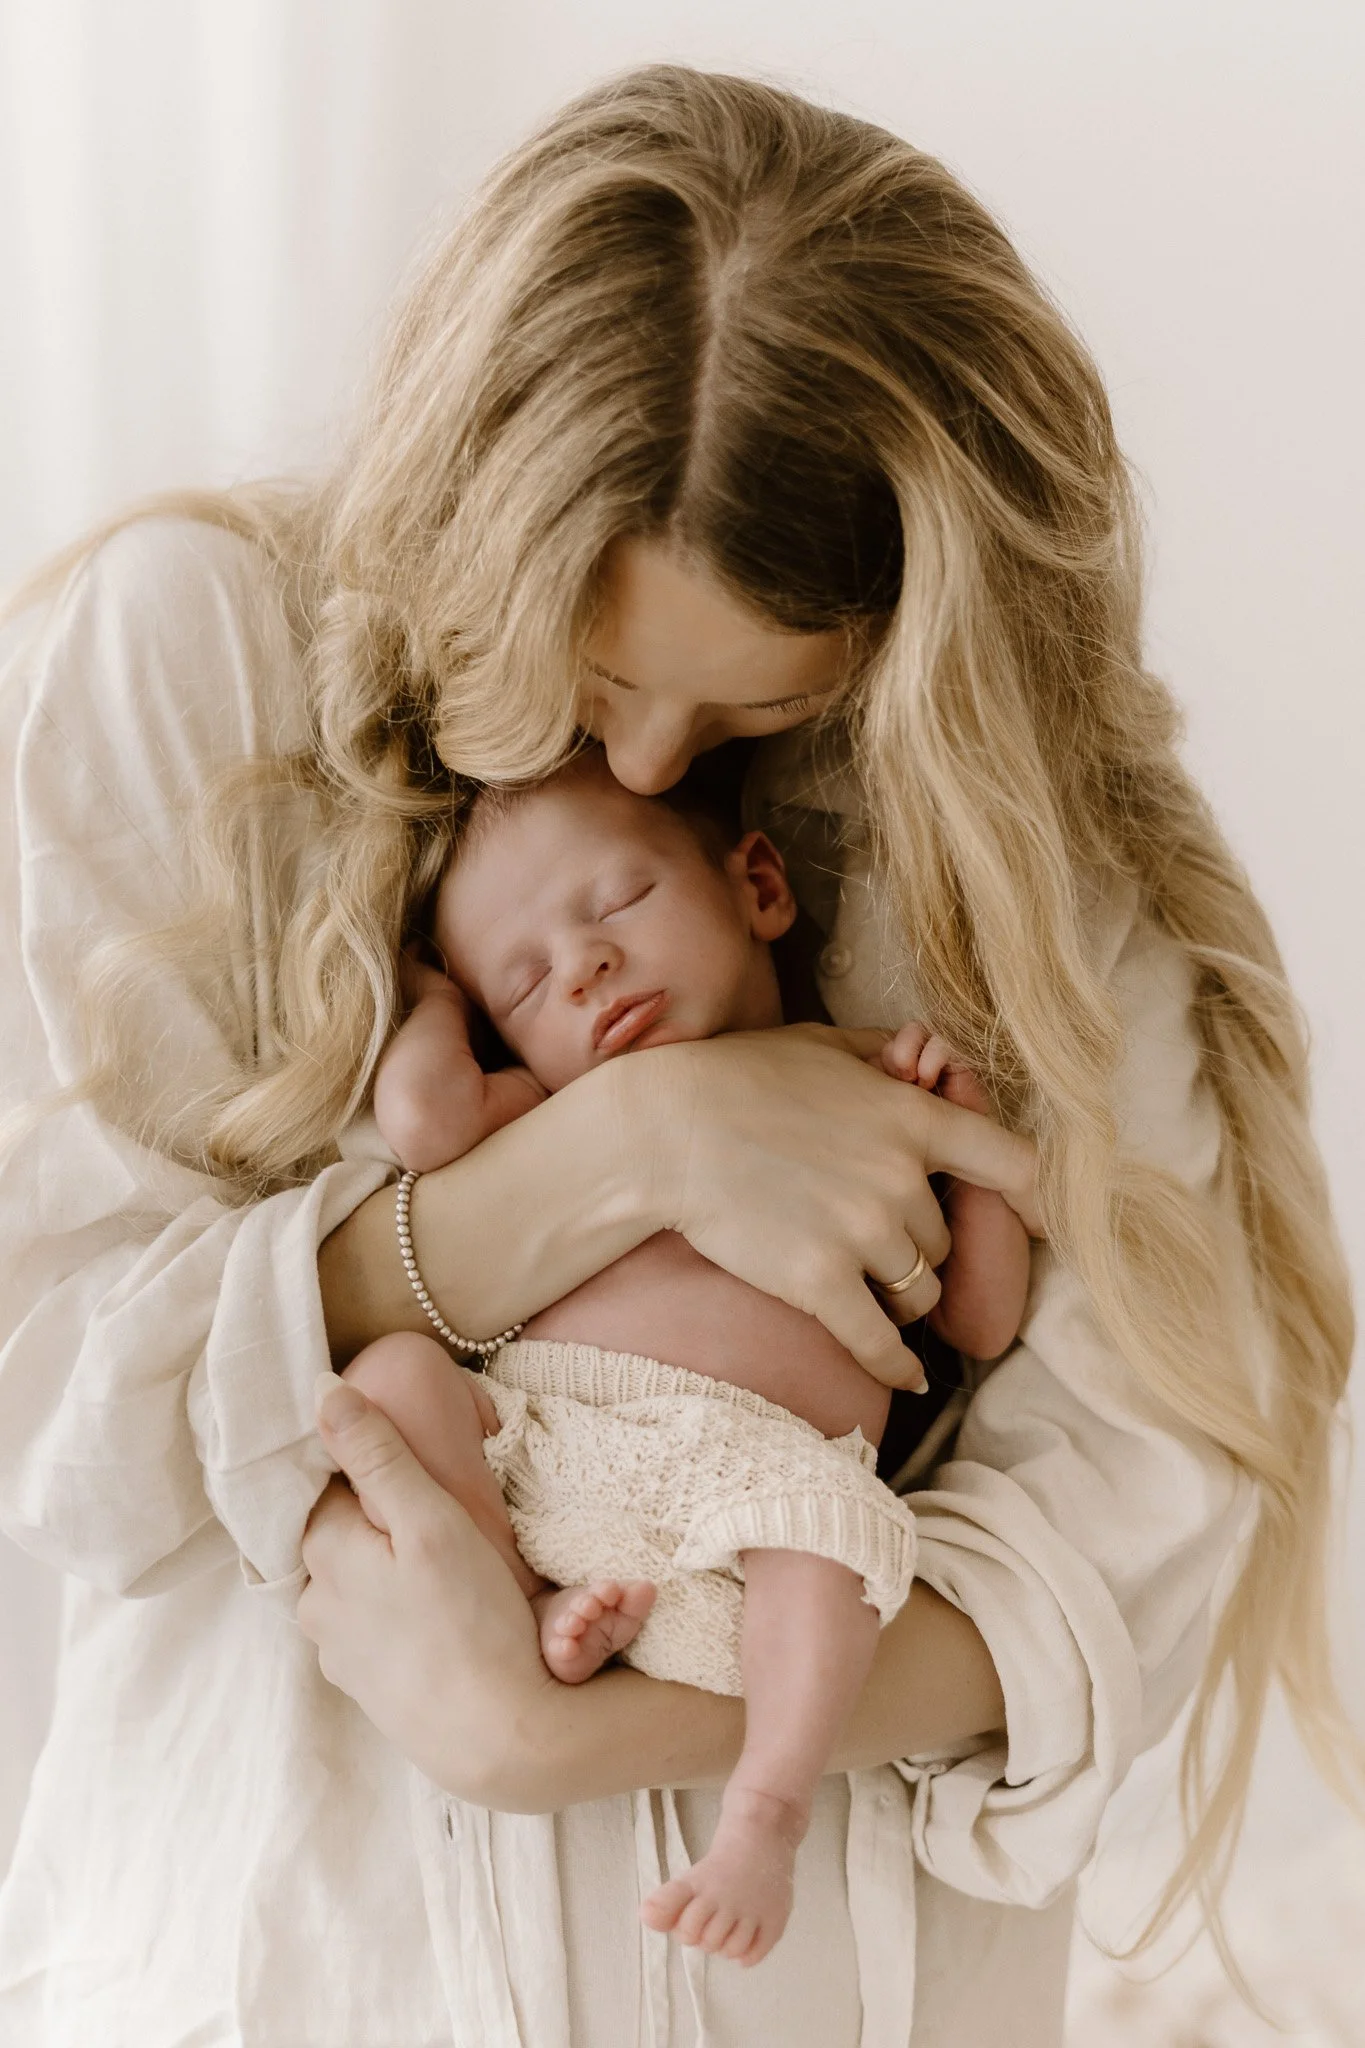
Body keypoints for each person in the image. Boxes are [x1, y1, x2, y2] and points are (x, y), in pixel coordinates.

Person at [0, 63, 1354, 2048]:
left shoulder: (975, 805)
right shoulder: (196, 653)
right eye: (594, 670)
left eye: (747, 707)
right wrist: (621, 1147)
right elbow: (58, 1420)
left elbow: (1130, 1507)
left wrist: (577, 1731)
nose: (639, 769)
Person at [343, 747, 1033, 1966]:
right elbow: (423, 1121)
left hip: (758, 1490)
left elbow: (978, 1322)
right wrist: (434, 995)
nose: (585, 965)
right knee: (393, 1385)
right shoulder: (548, 1119)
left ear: (760, 884)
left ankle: (761, 1818)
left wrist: (964, 1141)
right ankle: (533, 1598)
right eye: (524, 979)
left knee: (827, 1548)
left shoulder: (858, 1087)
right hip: (553, 1441)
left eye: (615, 904)